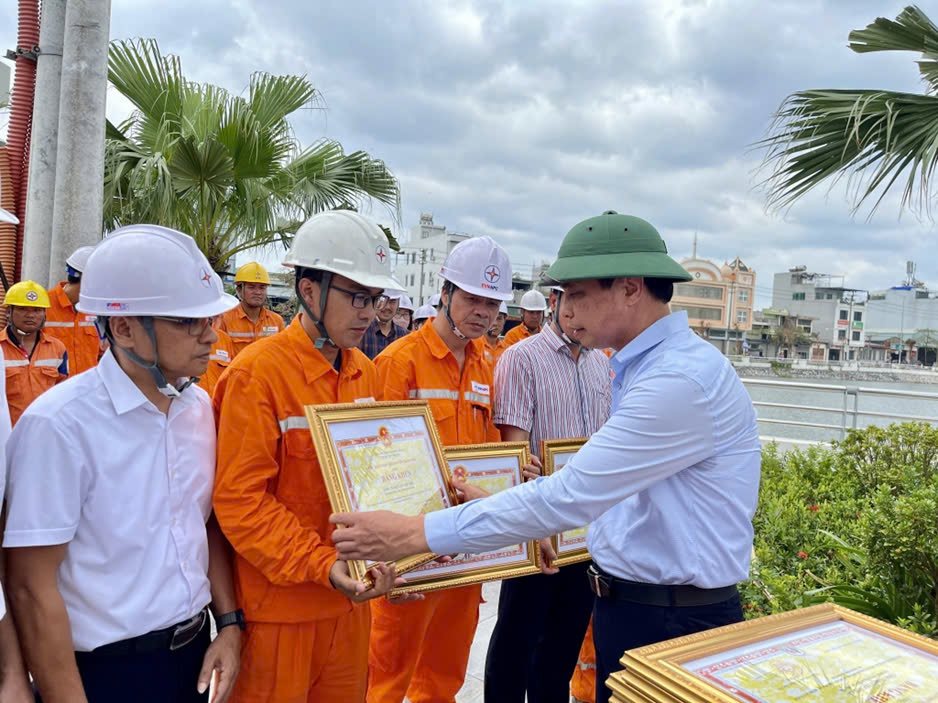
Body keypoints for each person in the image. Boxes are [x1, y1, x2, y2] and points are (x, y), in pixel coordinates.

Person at [329, 211, 762, 703]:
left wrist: (409, 532)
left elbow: (571, 493)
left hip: (669, 617)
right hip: (644, 607)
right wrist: (493, 500)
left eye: (577, 294)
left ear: (630, 288)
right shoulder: (641, 370)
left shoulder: (675, 382)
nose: (566, 310)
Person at [4, 224, 244, 702]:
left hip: (195, 654)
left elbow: (207, 526)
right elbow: (30, 584)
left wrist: (230, 625)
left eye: (208, 320)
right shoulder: (59, 426)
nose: (208, 336)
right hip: (107, 673)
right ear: (124, 326)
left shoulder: (198, 410)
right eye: (185, 322)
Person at [212, 210, 406, 703]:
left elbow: (383, 480)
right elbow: (240, 502)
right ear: (309, 290)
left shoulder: (366, 373)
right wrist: (321, 564)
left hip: (352, 608)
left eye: (375, 299)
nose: (369, 312)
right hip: (281, 615)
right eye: (357, 297)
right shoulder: (258, 375)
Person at [366, 235, 513, 703]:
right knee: (386, 674)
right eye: (472, 298)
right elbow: (373, 463)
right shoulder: (398, 362)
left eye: (492, 303)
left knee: (444, 674)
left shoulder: (489, 366)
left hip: (465, 548)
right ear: (445, 293)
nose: (482, 312)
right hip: (412, 549)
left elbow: (493, 450)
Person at [484, 287, 611, 703]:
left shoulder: (600, 365)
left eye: (595, 302)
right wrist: (527, 510)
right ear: (557, 300)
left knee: (562, 646)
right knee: (515, 642)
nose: (584, 313)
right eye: (576, 300)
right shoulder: (522, 358)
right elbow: (514, 454)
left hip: (583, 533)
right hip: (537, 526)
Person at [0, 281, 68, 425]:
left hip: (44, 431)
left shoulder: (57, 348)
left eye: (37, 310)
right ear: (9, 312)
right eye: (23, 309)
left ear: (44, 314)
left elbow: (64, 392)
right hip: (6, 433)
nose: (30, 315)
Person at [45, 245, 101, 375]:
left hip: (88, 387)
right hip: (54, 389)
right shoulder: (44, 306)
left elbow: (104, 352)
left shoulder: (95, 309)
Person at [217, 261, 285, 357]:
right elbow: (219, 359)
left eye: (262, 288)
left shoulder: (276, 321)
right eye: (251, 287)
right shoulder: (225, 319)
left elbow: (282, 356)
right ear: (239, 290)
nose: (258, 292)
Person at [359, 289, 408, 359]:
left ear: (398, 304)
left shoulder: (404, 336)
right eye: (382, 300)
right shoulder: (361, 332)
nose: (387, 306)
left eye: (392, 301)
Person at [197, 326, 236, 398]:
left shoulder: (224, 339)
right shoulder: (184, 339)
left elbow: (232, 375)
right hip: (194, 403)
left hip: (219, 403)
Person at [482, 301, 508, 367]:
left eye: (499, 318)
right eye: (492, 317)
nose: (495, 323)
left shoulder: (507, 350)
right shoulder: (473, 347)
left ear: (504, 321)